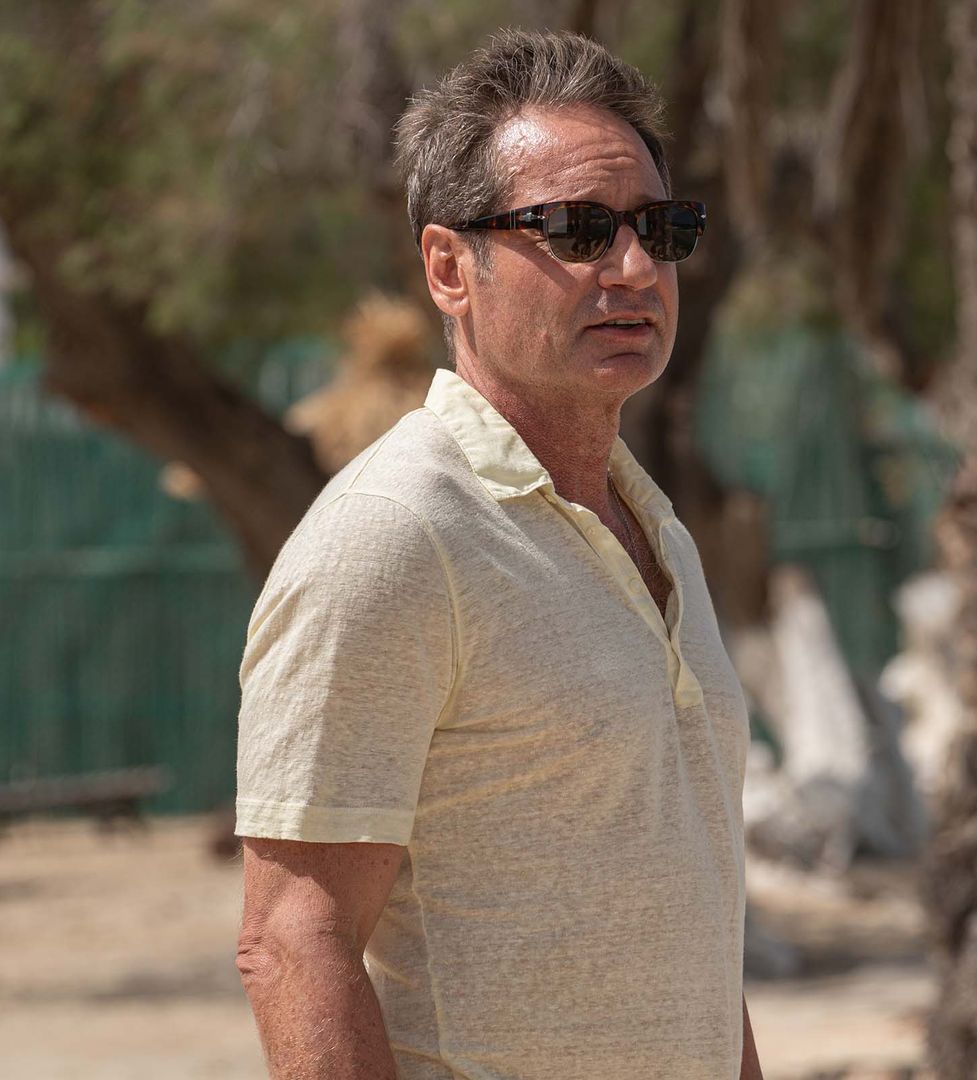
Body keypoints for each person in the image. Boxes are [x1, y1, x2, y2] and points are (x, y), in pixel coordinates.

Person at [233, 30, 761, 1079]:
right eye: (575, 229)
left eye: (661, 228)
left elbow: (690, 931)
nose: (634, 269)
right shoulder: (395, 535)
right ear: (447, 268)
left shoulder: (654, 528)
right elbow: (293, 940)